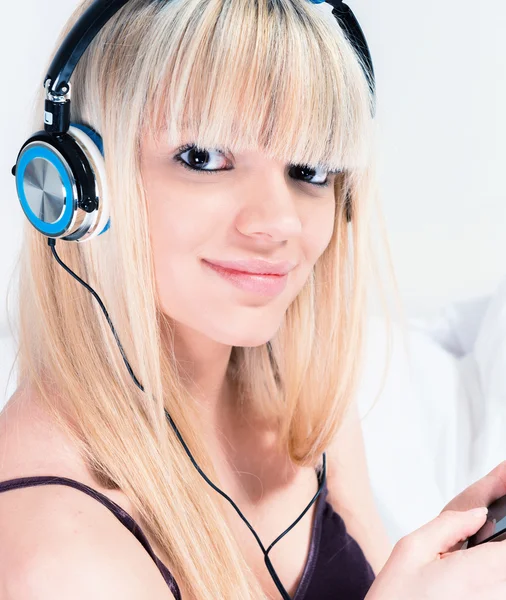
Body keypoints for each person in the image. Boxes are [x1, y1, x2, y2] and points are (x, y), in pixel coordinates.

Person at [1, 0, 506, 598]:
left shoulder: (298, 398)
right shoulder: (58, 557)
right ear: (78, 189)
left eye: (310, 169)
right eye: (204, 158)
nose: (278, 222)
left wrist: (435, 565)